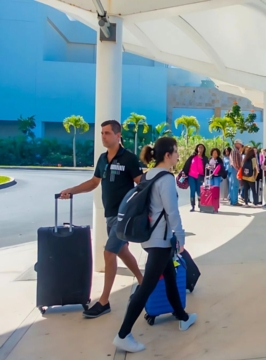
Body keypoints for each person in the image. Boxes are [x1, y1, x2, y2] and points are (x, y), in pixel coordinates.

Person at [113, 137, 197, 353]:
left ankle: (182, 316)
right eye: (176, 152)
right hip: (161, 240)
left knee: (169, 276)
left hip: (150, 238)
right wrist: (180, 237)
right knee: (147, 287)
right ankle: (123, 334)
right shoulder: (167, 179)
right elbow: (172, 212)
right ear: (167, 155)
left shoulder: (148, 174)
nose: (178, 156)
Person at [59, 120, 144, 318]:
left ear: (118, 135)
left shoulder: (129, 159)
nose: (103, 136)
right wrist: (72, 191)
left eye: (107, 133)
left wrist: (136, 211)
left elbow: (141, 186)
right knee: (121, 251)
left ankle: (104, 301)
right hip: (110, 215)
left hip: (124, 217)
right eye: (102, 133)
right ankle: (144, 281)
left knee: (108, 253)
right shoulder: (102, 159)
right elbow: (94, 182)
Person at [181, 144, 208, 212]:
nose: (200, 148)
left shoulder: (205, 158)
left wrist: (207, 170)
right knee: (192, 190)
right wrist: (184, 172)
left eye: (202, 147)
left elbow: (207, 166)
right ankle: (192, 206)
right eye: (199, 147)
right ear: (197, 148)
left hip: (200, 176)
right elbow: (187, 165)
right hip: (191, 176)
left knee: (199, 191)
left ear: (204, 149)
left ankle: (200, 204)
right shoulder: (192, 157)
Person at [207, 148, 224, 213]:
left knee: (216, 192)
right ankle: (210, 206)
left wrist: (214, 169)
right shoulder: (209, 159)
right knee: (210, 191)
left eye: (216, 153)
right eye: (213, 153)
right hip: (210, 177)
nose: (214, 154)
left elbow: (219, 167)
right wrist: (208, 167)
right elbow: (207, 166)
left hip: (217, 177)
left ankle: (216, 207)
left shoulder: (219, 160)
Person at [228, 139, 243, 206]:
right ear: (236, 144)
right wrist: (238, 169)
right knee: (235, 186)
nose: (240, 146)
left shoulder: (235, 151)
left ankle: (233, 200)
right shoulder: (235, 151)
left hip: (234, 169)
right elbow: (235, 162)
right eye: (240, 144)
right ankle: (234, 201)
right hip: (235, 169)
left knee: (233, 185)